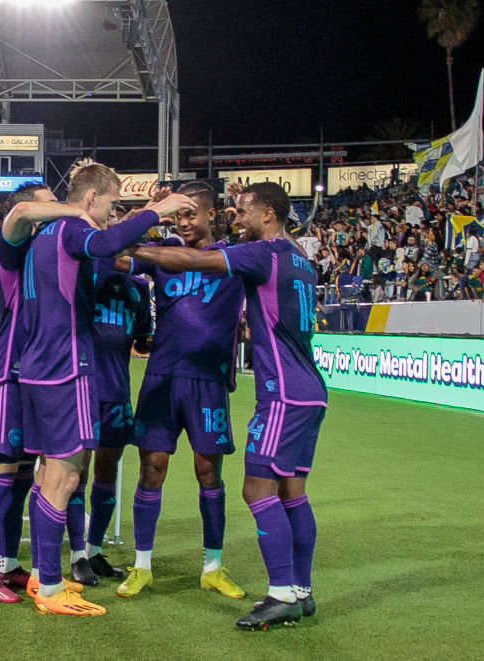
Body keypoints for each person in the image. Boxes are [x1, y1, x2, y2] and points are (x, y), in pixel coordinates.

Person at [131, 181, 327, 630]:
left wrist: (140, 247)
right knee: (293, 494)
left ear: (268, 216)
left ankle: (279, 594)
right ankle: (301, 591)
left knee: (256, 491)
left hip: (282, 392)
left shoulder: (264, 254)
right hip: (311, 389)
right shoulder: (299, 256)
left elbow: (197, 260)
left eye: (243, 211)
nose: (235, 218)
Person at [17, 161, 192, 616]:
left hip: (40, 365)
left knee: (50, 476)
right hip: (65, 367)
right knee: (65, 476)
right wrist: (159, 209)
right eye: (112, 203)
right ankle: (51, 587)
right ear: (91, 198)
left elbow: (110, 253)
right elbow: (109, 241)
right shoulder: (74, 226)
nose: (114, 213)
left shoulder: (45, 236)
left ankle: (43, 575)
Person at [112, 181, 247, 602]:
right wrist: (153, 209)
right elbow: (113, 249)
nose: (184, 223)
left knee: (210, 473)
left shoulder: (236, 257)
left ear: (212, 214)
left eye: (192, 214)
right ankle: (142, 566)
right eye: (179, 216)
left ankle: (212, 566)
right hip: (163, 377)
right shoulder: (162, 255)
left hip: (208, 380)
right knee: (152, 469)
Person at [0, 182, 95, 604]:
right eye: (50, 204)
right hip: (6, 375)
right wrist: (78, 210)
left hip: (31, 376)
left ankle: (8, 564)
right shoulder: (11, 253)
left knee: (24, 480)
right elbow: (24, 209)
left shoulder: (43, 255)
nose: (56, 211)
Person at [70, 209, 155, 586]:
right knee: (76, 474)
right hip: (82, 387)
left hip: (117, 391)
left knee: (108, 473)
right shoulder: (86, 270)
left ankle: (93, 550)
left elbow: (141, 341)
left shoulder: (138, 288)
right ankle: (75, 555)